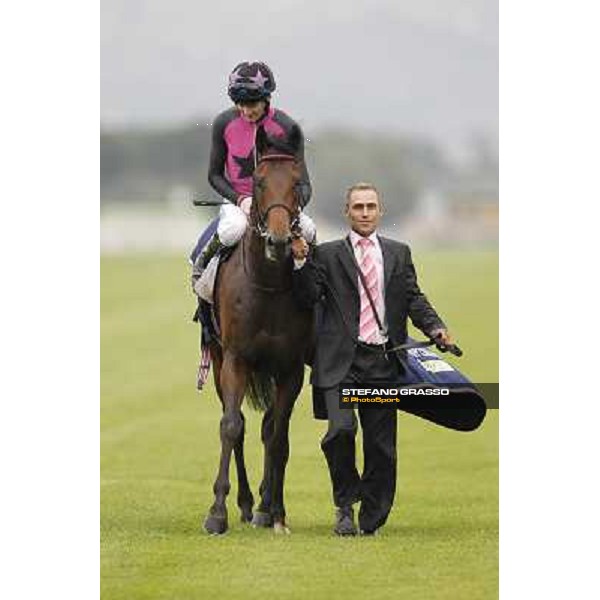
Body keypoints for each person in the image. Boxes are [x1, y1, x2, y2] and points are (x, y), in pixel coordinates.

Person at [291, 182, 453, 536]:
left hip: (382, 364)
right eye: (358, 207)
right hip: (340, 366)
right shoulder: (327, 255)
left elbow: (413, 298)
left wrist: (436, 326)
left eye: (370, 206)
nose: (365, 212)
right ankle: (345, 505)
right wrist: (301, 260)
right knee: (341, 431)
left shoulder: (399, 253)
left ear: (381, 211)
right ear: (346, 212)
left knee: (381, 449)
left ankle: (372, 514)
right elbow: (307, 297)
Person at [190, 61, 316, 271]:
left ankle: (318, 286)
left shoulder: (287, 127)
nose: (246, 111)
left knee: (309, 230)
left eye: (252, 104)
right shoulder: (223, 123)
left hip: (280, 204)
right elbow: (214, 176)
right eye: (240, 104)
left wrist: (290, 209)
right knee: (233, 229)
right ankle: (203, 275)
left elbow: (304, 184)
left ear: (267, 98)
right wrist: (241, 200)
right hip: (239, 201)